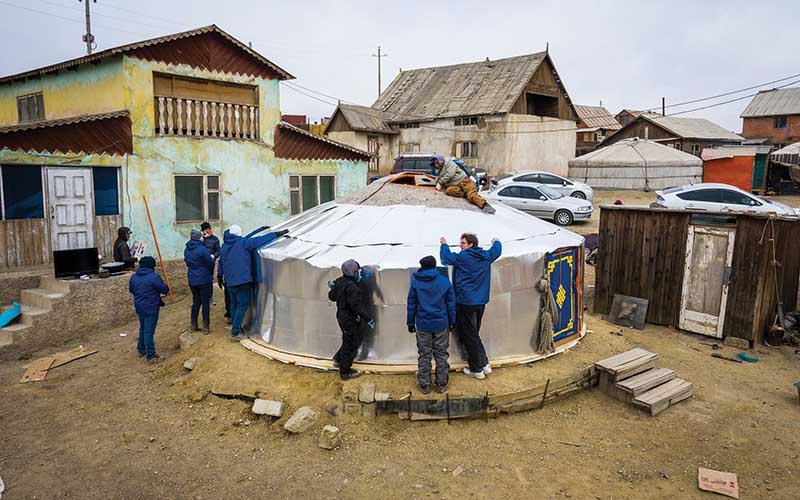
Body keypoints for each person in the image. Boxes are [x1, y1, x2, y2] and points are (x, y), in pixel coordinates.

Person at [440, 232, 502, 379]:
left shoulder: (463, 257)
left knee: (469, 336)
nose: (460, 246)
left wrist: (443, 245)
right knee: (474, 334)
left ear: (471, 244)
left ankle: (476, 369)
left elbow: (445, 258)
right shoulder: (486, 256)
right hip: (481, 302)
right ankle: (484, 364)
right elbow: (497, 250)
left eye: (463, 243)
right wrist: (496, 240)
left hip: (466, 302)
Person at [218, 224, 288, 341]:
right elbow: (259, 240)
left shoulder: (225, 246)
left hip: (229, 281)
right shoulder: (244, 243)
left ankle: (237, 327)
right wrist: (276, 234)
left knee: (234, 304)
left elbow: (248, 237)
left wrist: (260, 229)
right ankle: (235, 332)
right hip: (242, 281)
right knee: (242, 305)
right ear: (239, 234)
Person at [407, 255, 456, 394]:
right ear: (434, 266)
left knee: (424, 354)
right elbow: (451, 304)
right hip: (441, 323)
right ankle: (441, 384)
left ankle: (424, 385)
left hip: (423, 324)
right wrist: (452, 321)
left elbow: (412, 304)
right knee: (441, 354)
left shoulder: (415, 283)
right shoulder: (444, 282)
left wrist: (410, 322)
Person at [328, 259, 374, 380]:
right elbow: (356, 306)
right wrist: (368, 318)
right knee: (350, 344)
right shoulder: (352, 287)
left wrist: (333, 288)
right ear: (353, 273)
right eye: (358, 271)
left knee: (349, 339)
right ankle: (345, 372)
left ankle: (338, 359)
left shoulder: (339, 281)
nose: (360, 273)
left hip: (341, 316)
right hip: (349, 318)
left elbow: (332, 297)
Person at [128, 256, 169, 363]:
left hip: (139, 305)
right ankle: (151, 355)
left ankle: (141, 348)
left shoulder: (134, 277)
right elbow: (164, 290)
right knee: (148, 331)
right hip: (151, 306)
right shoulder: (153, 277)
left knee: (143, 328)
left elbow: (131, 290)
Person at [430, 154, 495, 214]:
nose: (436, 166)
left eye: (437, 163)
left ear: (441, 161)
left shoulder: (449, 163)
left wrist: (440, 182)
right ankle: (466, 194)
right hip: (456, 186)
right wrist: (437, 179)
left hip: (465, 182)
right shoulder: (440, 170)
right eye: (434, 164)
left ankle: (485, 205)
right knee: (449, 191)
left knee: (472, 195)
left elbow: (450, 174)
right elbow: (441, 177)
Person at [184, 229, 215, 334]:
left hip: (192, 278)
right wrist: (211, 272)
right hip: (204, 279)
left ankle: (194, 324)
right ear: (198, 238)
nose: (203, 237)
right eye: (201, 236)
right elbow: (210, 262)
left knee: (196, 301)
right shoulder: (202, 249)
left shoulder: (187, 249)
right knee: (205, 302)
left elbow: (187, 263)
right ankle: (205, 326)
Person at [200, 222, 227, 319]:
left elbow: (218, 251)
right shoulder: (199, 239)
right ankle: (200, 299)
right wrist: (202, 240)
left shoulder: (215, 239)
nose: (208, 230)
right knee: (200, 280)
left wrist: (214, 256)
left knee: (209, 280)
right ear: (202, 231)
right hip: (200, 263)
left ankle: (210, 298)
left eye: (209, 228)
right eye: (206, 229)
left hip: (210, 263)